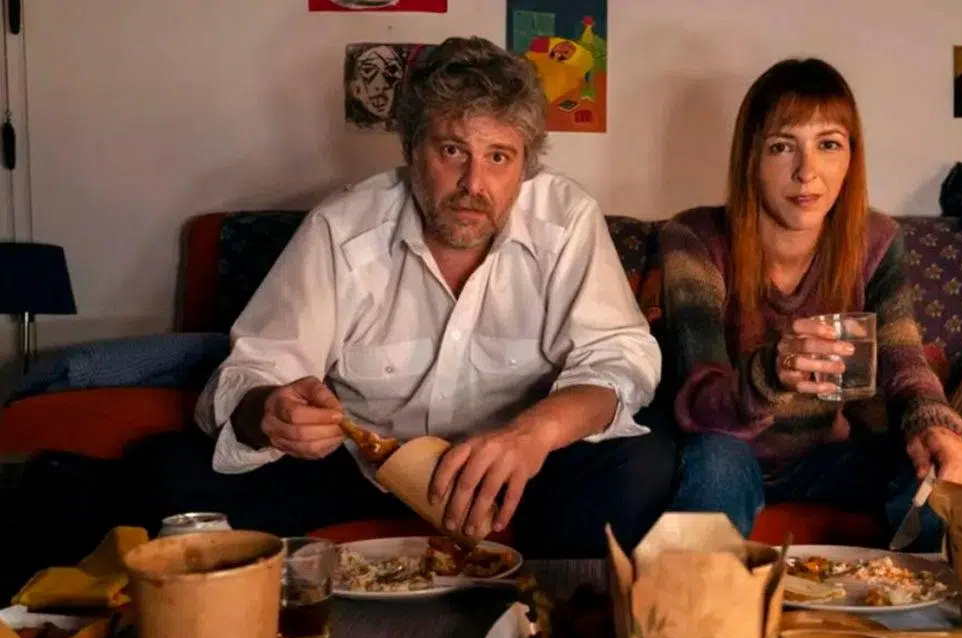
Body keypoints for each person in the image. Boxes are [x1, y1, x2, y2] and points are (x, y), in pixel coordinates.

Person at [125, 36, 675, 559]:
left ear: (526, 167)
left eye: (498, 157)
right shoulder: (341, 229)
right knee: (168, 470)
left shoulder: (567, 220)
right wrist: (269, 411)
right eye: (452, 150)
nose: (473, 184)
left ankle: (553, 611)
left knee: (643, 461)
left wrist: (533, 435)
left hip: (518, 470)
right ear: (412, 150)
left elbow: (621, 360)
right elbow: (249, 374)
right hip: (364, 469)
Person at [659, 58, 962, 552]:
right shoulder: (695, 238)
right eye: (782, 147)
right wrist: (771, 372)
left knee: (948, 464)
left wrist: (932, 423)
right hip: (730, 451)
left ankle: (918, 600)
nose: (807, 172)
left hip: (830, 457)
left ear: (851, 157)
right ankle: (694, 599)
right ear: (751, 157)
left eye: (828, 144)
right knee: (715, 461)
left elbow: (904, 360)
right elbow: (701, 399)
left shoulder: (876, 240)